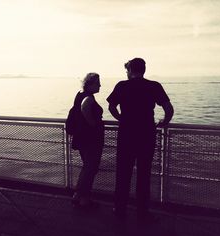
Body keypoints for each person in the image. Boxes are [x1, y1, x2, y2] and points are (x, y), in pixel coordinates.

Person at [107, 58, 174, 224]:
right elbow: (168, 108)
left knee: (123, 173)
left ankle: (119, 209)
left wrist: (121, 119)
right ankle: (142, 213)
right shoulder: (154, 86)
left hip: (126, 135)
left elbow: (111, 107)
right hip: (146, 135)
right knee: (144, 175)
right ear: (143, 70)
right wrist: (164, 122)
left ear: (130, 70)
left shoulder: (122, 86)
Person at [71, 73, 104, 208]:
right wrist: (93, 125)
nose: (100, 85)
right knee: (91, 168)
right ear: (90, 84)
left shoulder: (80, 94)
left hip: (82, 137)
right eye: (98, 83)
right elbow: (85, 108)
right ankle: (84, 199)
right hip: (91, 139)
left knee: (87, 168)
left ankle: (78, 196)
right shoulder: (88, 97)